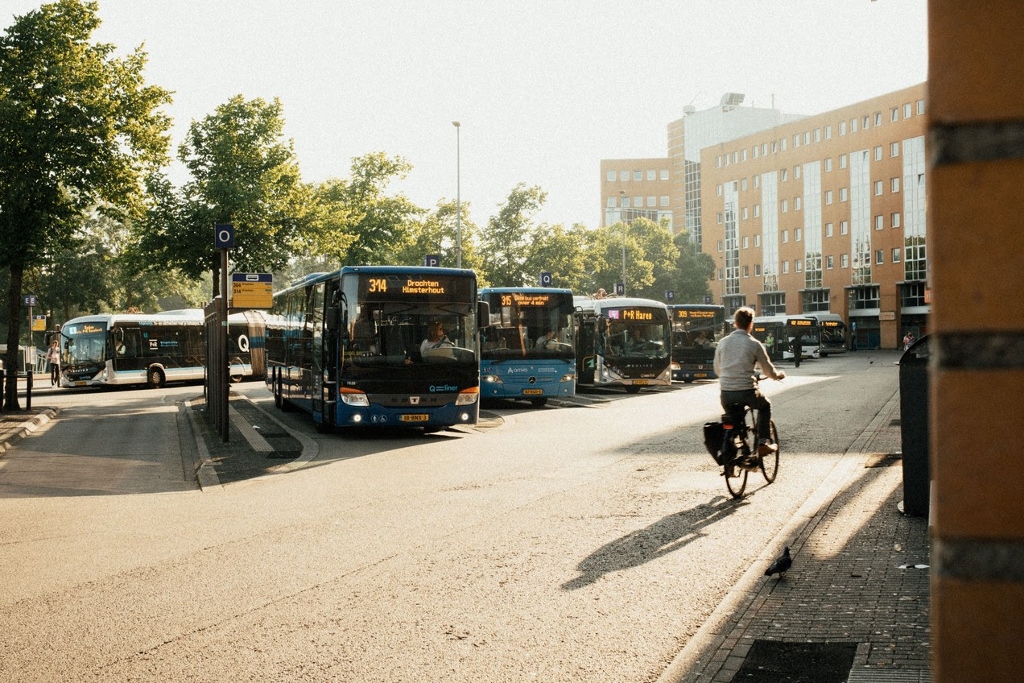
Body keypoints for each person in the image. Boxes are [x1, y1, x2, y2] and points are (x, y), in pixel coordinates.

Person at [713, 306, 785, 463]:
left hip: (726, 394)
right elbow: (768, 370)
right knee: (765, 406)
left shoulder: (723, 343)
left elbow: (717, 369)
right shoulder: (754, 344)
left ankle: (733, 450)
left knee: (733, 419)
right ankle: (762, 442)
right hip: (747, 391)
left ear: (735, 323)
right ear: (751, 324)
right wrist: (777, 375)